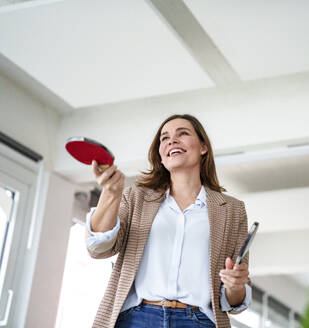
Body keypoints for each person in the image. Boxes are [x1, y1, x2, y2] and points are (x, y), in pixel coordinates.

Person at [85, 114, 251, 328]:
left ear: (203, 147)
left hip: (199, 321)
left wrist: (236, 285)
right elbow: (98, 248)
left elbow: (235, 302)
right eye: (164, 138)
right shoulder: (136, 197)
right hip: (136, 319)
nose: (172, 140)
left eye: (182, 133)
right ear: (161, 155)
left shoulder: (232, 210)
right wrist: (110, 194)